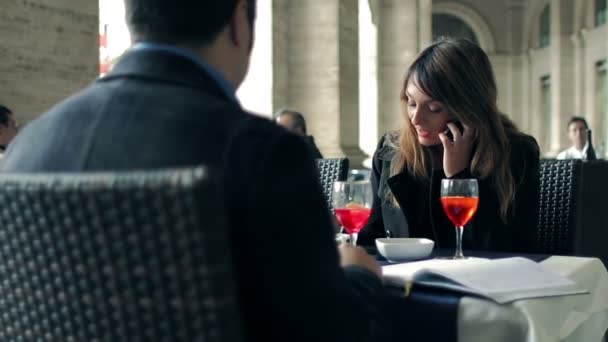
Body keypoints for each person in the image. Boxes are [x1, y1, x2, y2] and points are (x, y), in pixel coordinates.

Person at [1, 1, 387, 341]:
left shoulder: (24, 149)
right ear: (239, 20)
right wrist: (360, 276)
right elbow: (330, 331)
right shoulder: (263, 153)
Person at [358, 38, 541, 253]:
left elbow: (504, 249)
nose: (416, 118)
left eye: (434, 108)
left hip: (479, 283)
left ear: (469, 108)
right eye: (411, 102)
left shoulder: (516, 153)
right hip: (403, 282)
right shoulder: (391, 151)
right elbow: (372, 235)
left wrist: (459, 177)